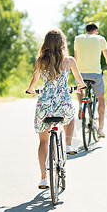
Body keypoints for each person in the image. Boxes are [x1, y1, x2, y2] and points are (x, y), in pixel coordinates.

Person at [26, 28, 86, 189]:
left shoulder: (41, 61)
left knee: (43, 142)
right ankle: (67, 145)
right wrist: (80, 86)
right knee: (70, 117)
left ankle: (44, 178)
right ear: (62, 43)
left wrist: (31, 90)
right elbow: (79, 80)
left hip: (44, 106)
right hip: (63, 104)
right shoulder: (69, 61)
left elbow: (34, 80)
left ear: (45, 43)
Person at [74, 22, 107, 138]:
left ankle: (80, 105)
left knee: (79, 88)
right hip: (95, 74)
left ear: (86, 30)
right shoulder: (100, 39)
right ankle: (101, 128)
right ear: (95, 31)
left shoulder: (78, 39)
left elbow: (75, 58)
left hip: (80, 74)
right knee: (101, 98)